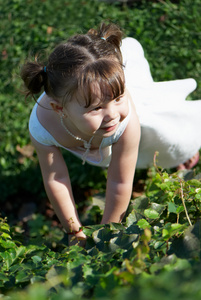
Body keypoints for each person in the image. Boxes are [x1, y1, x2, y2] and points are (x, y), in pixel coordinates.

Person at [21, 23, 201, 245]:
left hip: (131, 119)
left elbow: (119, 182)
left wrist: (107, 234)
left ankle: (189, 144)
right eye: (96, 108)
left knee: (167, 138)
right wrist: (74, 231)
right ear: (60, 109)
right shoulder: (43, 127)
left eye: (118, 99)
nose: (112, 115)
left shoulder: (126, 119)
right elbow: (56, 178)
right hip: (90, 118)